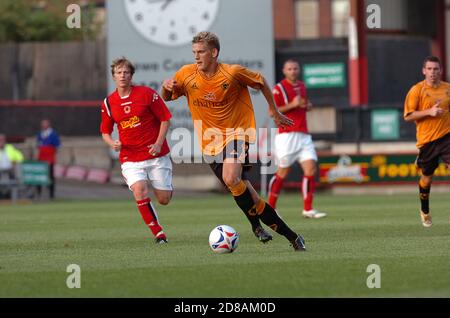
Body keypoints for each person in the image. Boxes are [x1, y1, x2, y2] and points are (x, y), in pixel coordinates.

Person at [161, 31, 306, 251]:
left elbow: (261, 82)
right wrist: (165, 86)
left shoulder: (232, 73)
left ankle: (256, 227)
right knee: (249, 196)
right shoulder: (186, 74)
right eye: (194, 52)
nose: (196, 57)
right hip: (209, 142)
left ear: (214, 52)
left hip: (237, 133)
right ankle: (294, 237)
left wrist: (273, 110)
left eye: (201, 52)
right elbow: (167, 96)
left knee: (230, 177)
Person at [100, 57, 173, 244]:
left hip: (156, 154)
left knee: (164, 199)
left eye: (126, 72)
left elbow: (165, 118)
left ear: (131, 75)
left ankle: (163, 193)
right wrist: (112, 143)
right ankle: (159, 234)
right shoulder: (109, 103)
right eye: (118, 72)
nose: (122, 75)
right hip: (130, 157)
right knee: (139, 190)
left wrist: (158, 143)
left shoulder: (146, 94)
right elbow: (105, 132)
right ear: (114, 76)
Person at [268, 59, 327, 219]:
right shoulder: (278, 89)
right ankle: (270, 207)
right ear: (284, 71)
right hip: (287, 136)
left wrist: (307, 105)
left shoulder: (302, 86)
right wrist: (293, 104)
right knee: (283, 172)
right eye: (290, 69)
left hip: (304, 135)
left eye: (295, 68)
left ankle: (308, 209)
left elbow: (302, 105)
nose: (293, 71)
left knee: (311, 169)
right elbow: (273, 112)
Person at [404, 55, 450, 228]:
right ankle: (424, 210)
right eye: (429, 69)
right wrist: (429, 112)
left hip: (447, 137)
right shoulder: (417, 90)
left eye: (436, 69)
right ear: (424, 71)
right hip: (427, 141)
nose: (432, 72)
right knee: (427, 179)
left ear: (441, 71)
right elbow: (408, 116)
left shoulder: (447, 89)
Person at [36, 119, 61, 199]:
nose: (43, 125)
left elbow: (57, 146)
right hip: (41, 158)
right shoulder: (40, 134)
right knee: (39, 176)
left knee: (50, 177)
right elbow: (38, 145)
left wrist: (51, 154)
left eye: (45, 124)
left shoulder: (53, 134)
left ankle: (51, 195)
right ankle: (39, 193)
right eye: (43, 124)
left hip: (49, 159)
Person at [0, 133, 24, 198]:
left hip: (10, 170)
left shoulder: (9, 148)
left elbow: (20, 157)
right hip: (0, 171)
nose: (1, 142)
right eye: (0, 140)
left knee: (18, 171)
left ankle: (18, 194)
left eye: (2, 140)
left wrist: (15, 162)